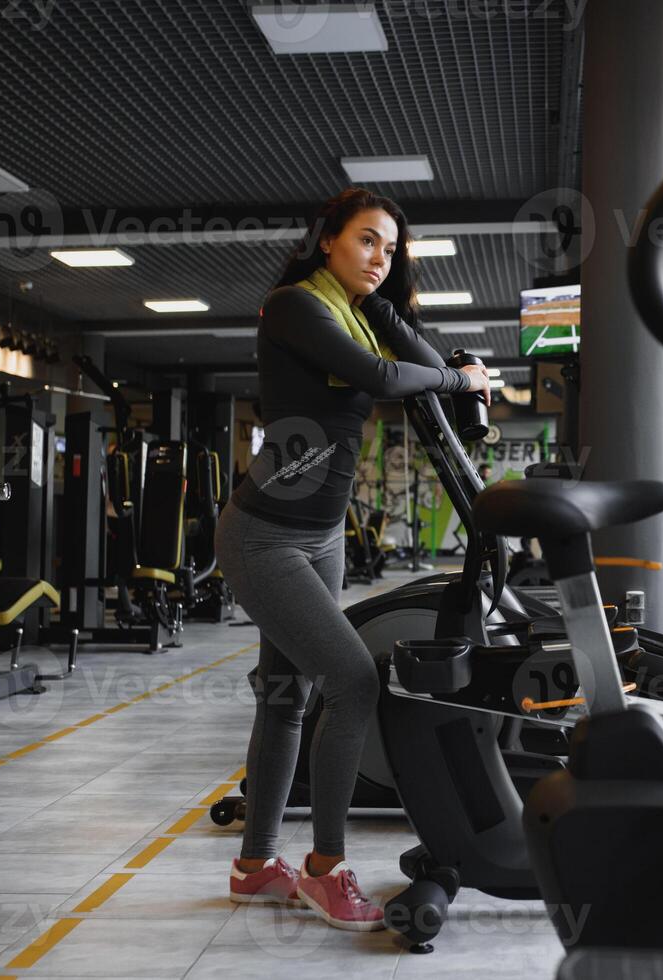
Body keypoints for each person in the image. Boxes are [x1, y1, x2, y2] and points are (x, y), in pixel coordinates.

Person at [216, 189, 489, 930]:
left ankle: (253, 866)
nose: (379, 257)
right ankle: (325, 868)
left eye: (391, 248)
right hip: (263, 534)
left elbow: (416, 358)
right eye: (367, 241)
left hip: (324, 534)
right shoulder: (295, 306)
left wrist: (399, 314)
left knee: (285, 695)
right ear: (328, 239)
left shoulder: (362, 308)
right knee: (353, 682)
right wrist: (461, 380)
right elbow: (384, 379)